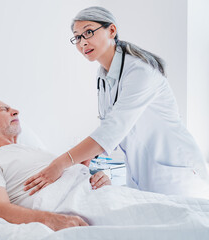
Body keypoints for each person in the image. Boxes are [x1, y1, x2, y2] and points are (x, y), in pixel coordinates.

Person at [24, 6, 209, 199]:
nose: (82, 43)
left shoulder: (140, 72)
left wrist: (60, 163)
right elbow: (109, 127)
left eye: (88, 32)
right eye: (77, 37)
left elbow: (113, 128)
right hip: (141, 176)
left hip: (179, 176)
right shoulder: (103, 75)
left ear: (111, 30)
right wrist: (89, 157)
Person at [0, 96, 111, 231]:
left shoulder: (36, 151)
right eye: (4, 109)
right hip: (77, 208)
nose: (16, 111)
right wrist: (52, 221)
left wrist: (99, 179)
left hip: (100, 195)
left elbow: (69, 176)